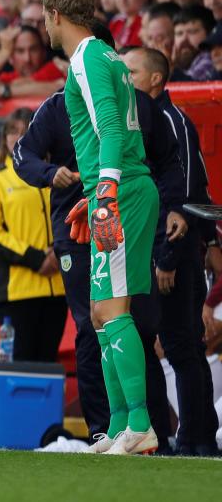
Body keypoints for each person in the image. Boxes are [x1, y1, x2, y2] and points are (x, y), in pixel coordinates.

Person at [41, 0, 160, 455]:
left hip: (122, 191)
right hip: (116, 189)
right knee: (99, 312)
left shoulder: (87, 58)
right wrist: (95, 192)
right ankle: (117, 426)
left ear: (55, 17)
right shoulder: (107, 56)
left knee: (114, 309)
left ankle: (140, 423)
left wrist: (105, 188)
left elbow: (110, 127)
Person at [122, 46, 221, 456]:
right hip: (158, 250)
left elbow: (180, 198)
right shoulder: (147, 120)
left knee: (181, 346)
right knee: (166, 344)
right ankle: (174, 437)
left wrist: (166, 256)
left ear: (155, 80)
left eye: (131, 72)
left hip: (171, 254)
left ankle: (195, 440)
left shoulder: (169, 119)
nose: (123, 79)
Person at [0, 108, 66, 362]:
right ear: (4, 138)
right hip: (16, 292)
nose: (19, 137)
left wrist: (58, 253)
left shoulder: (55, 176)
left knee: (47, 363)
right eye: (13, 131)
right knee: (19, 365)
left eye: (26, 131)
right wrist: (35, 258)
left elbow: (69, 219)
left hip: (57, 290)